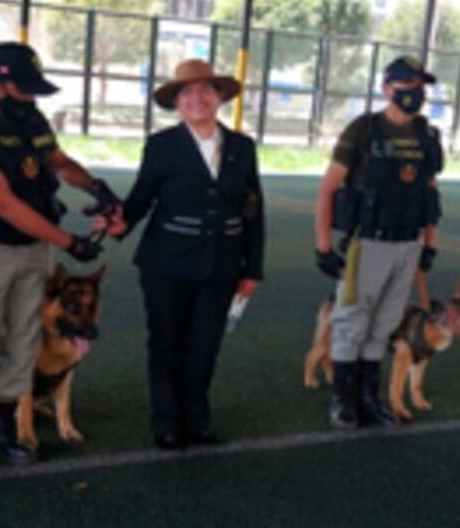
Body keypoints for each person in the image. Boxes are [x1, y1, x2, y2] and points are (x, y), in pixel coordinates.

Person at [0, 42, 119, 471]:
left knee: (24, 340)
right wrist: (71, 243)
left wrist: (97, 189)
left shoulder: (27, 117)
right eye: (24, 90)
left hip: (35, 249)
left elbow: (58, 161)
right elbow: (5, 205)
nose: (32, 99)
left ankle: (5, 427)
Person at [105, 59, 265, 449]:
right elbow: (142, 197)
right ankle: (166, 422)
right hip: (166, 263)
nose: (198, 98)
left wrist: (252, 268)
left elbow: (253, 210)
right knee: (167, 343)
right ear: (177, 102)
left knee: (205, 345)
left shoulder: (242, 147)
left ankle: (197, 420)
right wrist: (120, 222)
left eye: (206, 90)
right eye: (188, 92)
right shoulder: (162, 146)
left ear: (219, 97)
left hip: (222, 265)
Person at [313, 56, 443, 430]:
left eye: (420, 87)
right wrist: (323, 247)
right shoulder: (364, 130)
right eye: (406, 86)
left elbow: (430, 194)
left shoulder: (428, 135)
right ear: (387, 88)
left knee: (384, 324)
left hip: (408, 243)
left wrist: (428, 245)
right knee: (352, 322)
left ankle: (368, 399)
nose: (414, 94)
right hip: (367, 243)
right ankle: (343, 401)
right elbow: (328, 190)